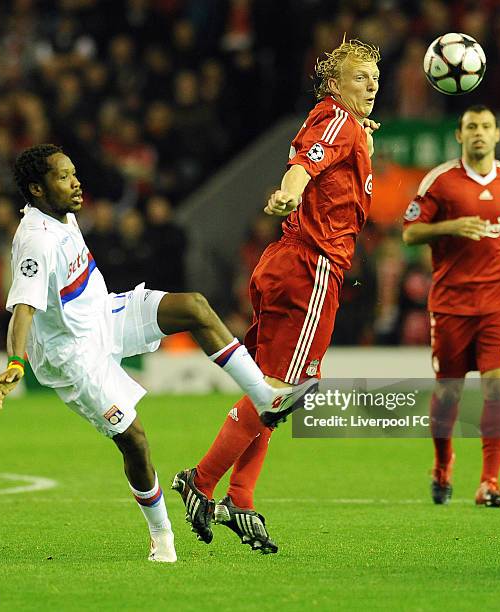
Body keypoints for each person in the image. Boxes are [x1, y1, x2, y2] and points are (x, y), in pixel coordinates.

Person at [0, 144, 314, 563]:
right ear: (36, 189)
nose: (76, 182)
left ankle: (265, 397)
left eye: (74, 173)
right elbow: (24, 309)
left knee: (194, 307)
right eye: (63, 177)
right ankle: (161, 535)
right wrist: (17, 362)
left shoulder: (62, 213)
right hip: (75, 356)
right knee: (135, 442)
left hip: (106, 314)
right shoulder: (34, 241)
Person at [173, 37, 381, 552]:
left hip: (292, 263)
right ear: (335, 84)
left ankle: (240, 500)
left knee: (272, 391)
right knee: (283, 390)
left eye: (375, 78)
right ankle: (199, 483)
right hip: (310, 269)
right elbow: (304, 167)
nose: (372, 85)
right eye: (360, 77)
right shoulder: (338, 121)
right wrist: (290, 192)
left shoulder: (345, 126)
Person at [402, 105, 500, 507]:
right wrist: (450, 227)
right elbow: (410, 233)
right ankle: (443, 465)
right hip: (452, 305)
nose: (479, 133)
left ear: (497, 135)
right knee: (448, 394)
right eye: (471, 127)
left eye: (486, 126)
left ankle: (489, 483)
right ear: (460, 136)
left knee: (498, 386)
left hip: (499, 301)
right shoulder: (440, 182)